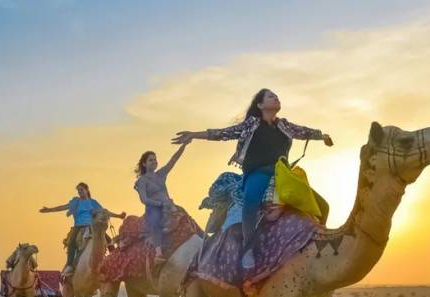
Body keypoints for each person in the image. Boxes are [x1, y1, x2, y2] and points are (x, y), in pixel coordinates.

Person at [172, 89, 332, 268]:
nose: (276, 97)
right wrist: (194, 135)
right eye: (271, 96)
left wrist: (322, 136)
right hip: (258, 172)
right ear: (260, 105)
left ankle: (320, 242)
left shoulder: (284, 125)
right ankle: (247, 248)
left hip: (282, 174)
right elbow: (224, 133)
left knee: (323, 206)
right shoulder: (251, 125)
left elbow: (303, 132)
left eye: (276, 96)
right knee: (251, 200)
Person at [39, 182, 125, 276]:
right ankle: (70, 266)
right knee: (71, 242)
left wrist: (118, 216)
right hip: (78, 226)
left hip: (92, 226)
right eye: (78, 190)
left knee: (109, 241)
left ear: (87, 190)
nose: (80, 192)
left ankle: (115, 262)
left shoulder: (93, 202)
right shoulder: (76, 202)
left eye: (81, 190)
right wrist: (49, 209)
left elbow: (105, 212)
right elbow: (63, 207)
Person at [133, 143, 187, 263]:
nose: (154, 162)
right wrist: (159, 204)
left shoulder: (161, 174)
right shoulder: (142, 181)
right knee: (155, 223)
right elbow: (144, 199)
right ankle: (158, 254)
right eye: (151, 160)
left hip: (168, 206)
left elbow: (173, 161)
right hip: (154, 208)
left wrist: (183, 146)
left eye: (155, 159)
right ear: (144, 164)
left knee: (184, 215)